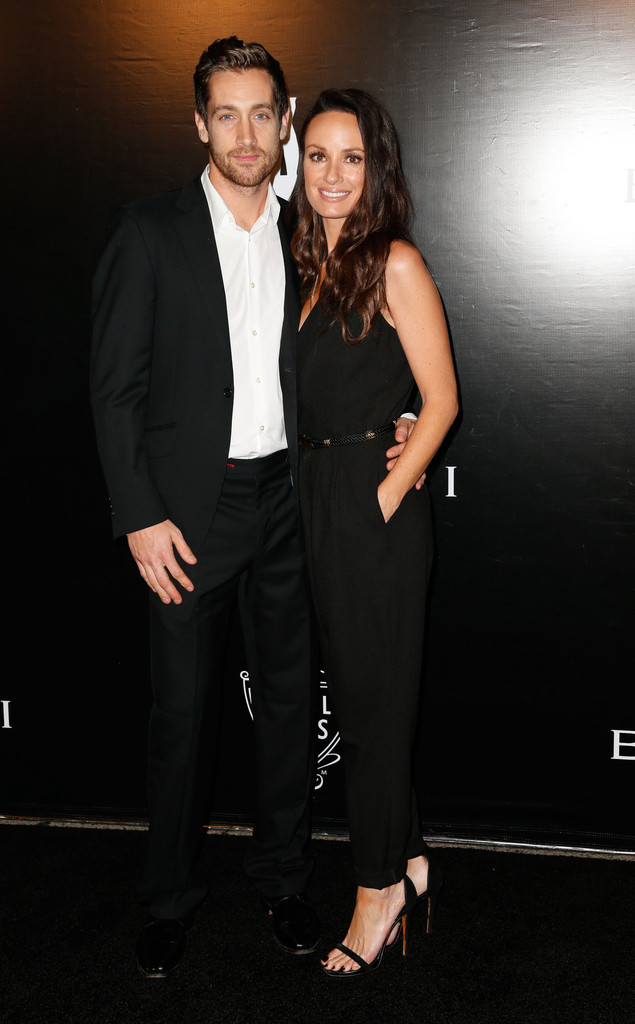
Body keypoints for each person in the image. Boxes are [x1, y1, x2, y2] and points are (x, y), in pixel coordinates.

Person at [90, 39, 412, 979]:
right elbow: (114, 390)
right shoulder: (148, 231)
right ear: (199, 124)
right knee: (181, 715)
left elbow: (359, 342)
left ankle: (281, 878)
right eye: (224, 114)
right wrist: (138, 513)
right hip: (189, 514)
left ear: (284, 121)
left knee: (287, 704)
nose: (244, 134)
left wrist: (397, 416)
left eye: (261, 114)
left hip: (291, 500)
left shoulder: (307, 232)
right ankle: (167, 897)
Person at [290, 88, 458, 976]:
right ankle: (413, 857)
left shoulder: (393, 260)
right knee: (367, 700)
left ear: (376, 167)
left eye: (351, 157)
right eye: (317, 155)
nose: (332, 174)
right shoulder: (300, 264)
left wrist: (382, 496)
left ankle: (376, 891)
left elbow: (441, 400)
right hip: (311, 496)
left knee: (370, 713)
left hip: (368, 506)